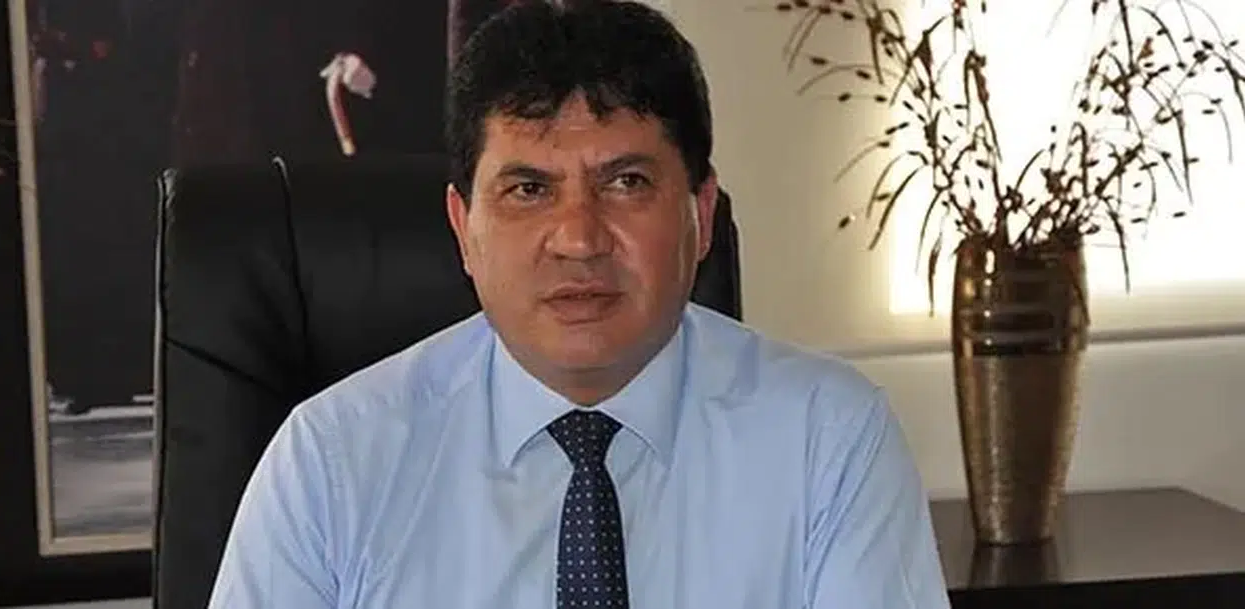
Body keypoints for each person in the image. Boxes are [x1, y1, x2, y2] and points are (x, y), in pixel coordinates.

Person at [206, 1, 952, 608]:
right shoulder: (331, 462)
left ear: (700, 214)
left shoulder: (829, 441)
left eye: (626, 183)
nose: (579, 238)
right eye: (529, 189)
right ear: (464, 229)